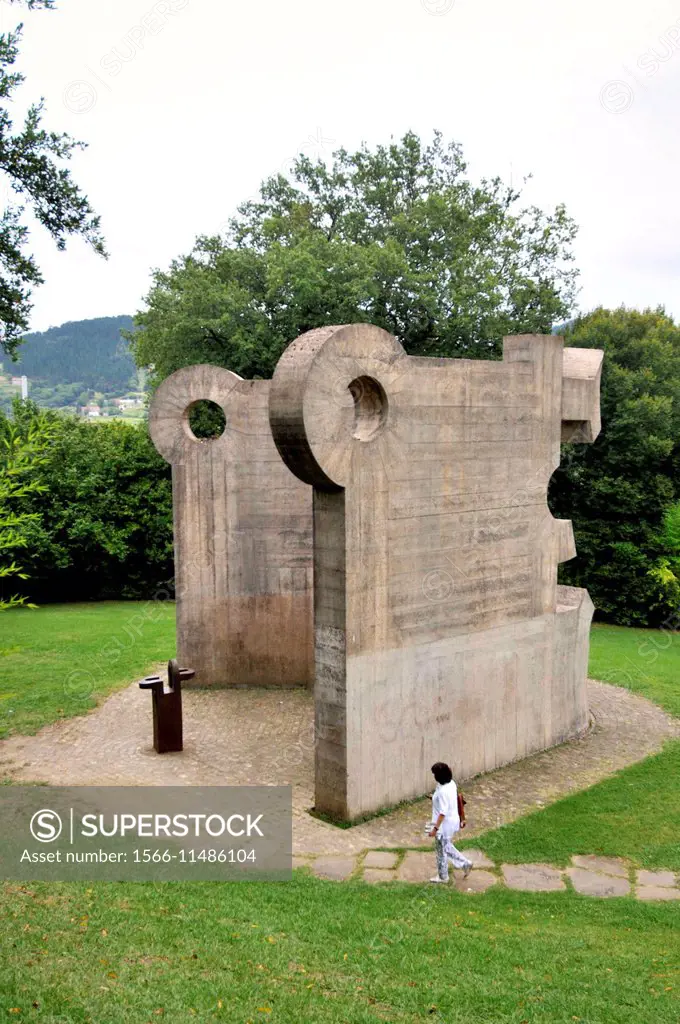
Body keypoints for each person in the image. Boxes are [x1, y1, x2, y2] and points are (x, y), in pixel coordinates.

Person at [427, 761, 473, 883]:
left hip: (443, 826)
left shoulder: (442, 792)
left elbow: (442, 812)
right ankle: (465, 863)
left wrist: (435, 829)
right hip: (452, 822)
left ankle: (443, 877)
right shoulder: (451, 784)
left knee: (441, 851)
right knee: (446, 847)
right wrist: (434, 798)